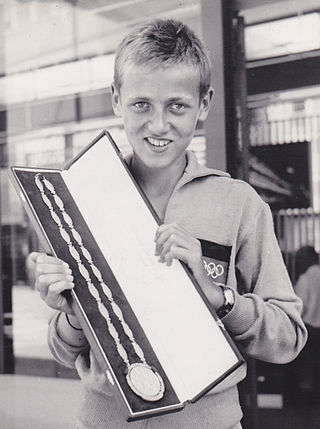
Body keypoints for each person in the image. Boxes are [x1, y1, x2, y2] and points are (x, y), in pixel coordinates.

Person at [27, 19, 307, 429]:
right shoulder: (79, 198)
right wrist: (71, 315)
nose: (159, 125)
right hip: (102, 420)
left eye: (177, 105)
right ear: (117, 100)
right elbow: (65, 351)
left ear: (204, 104)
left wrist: (219, 298)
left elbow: (289, 338)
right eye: (142, 104)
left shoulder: (239, 204)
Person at [293, 246, 320, 403]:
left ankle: (306, 402)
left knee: (307, 367)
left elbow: (301, 308)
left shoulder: (305, 278)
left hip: (311, 329)